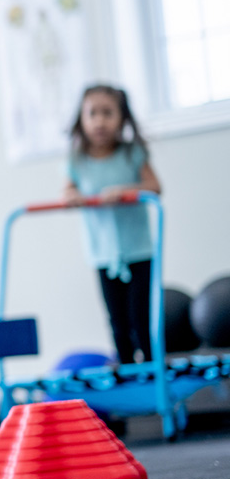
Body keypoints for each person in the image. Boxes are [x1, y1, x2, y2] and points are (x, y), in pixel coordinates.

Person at [63, 84, 162, 365]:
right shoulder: (78, 160)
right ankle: (128, 369)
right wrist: (72, 196)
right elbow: (68, 191)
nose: (100, 121)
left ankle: (153, 371)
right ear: (82, 120)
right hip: (103, 255)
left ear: (122, 118)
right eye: (93, 114)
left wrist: (125, 191)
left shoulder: (132, 153)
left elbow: (154, 187)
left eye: (108, 113)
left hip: (138, 251)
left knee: (141, 317)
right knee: (117, 319)